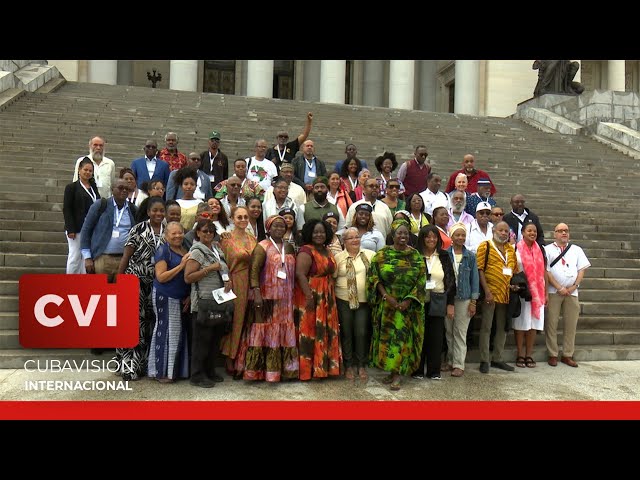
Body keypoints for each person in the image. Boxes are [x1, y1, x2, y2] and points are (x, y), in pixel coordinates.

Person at [369, 219, 426, 391]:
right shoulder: (382, 254)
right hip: (388, 306)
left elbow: (421, 281)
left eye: (406, 233)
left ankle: (398, 375)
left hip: (409, 307)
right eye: (399, 233)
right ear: (393, 235)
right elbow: (374, 277)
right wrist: (387, 297)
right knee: (388, 340)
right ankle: (392, 371)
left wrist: (408, 300)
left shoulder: (415, 255)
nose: (403, 236)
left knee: (402, 340)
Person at [115, 197, 166, 381]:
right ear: (148, 212)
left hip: (158, 284)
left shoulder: (169, 231)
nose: (158, 214)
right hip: (134, 280)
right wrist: (120, 281)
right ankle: (129, 365)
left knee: (150, 324)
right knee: (135, 323)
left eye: (161, 211)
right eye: (155, 210)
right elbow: (126, 256)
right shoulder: (138, 229)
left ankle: (146, 364)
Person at [244, 215, 298, 382]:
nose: (280, 229)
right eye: (276, 226)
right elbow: (253, 271)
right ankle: (259, 372)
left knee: (283, 331)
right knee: (264, 332)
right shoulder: (262, 246)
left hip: (286, 299)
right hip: (266, 298)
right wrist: (257, 293)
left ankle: (286, 371)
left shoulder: (289, 247)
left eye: (282, 226)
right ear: (268, 228)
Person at [184, 218, 232, 388]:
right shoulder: (197, 252)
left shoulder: (217, 249)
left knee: (213, 339)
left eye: (211, 231)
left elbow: (223, 268)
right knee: (201, 341)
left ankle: (209, 371)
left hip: (218, 300)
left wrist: (228, 280)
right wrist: (210, 268)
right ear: (198, 232)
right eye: (204, 231)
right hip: (203, 302)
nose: (208, 234)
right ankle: (197, 375)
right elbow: (188, 277)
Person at [294, 219, 341, 381]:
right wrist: (309, 296)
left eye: (322, 232)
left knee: (325, 331)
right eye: (315, 232)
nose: (319, 235)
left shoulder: (327, 250)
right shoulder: (306, 251)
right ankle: (309, 371)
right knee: (310, 331)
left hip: (327, 295)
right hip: (311, 295)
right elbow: (300, 274)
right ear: (309, 233)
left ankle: (324, 367)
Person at [148, 221, 191, 382]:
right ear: (166, 236)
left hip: (180, 297)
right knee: (164, 331)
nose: (178, 236)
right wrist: (181, 265)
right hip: (165, 296)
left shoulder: (184, 249)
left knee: (177, 333)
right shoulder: (163, 251)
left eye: (180, 232)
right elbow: (161, 276)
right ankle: (160, 372)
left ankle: (175, 371)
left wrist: (188, 295)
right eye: (174, 233)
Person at [412, 225, 456, 380]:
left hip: (438, 299)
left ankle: (433, 371)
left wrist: (450, 304)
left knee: (436, 337)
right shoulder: (415, 255)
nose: (431, 240)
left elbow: (450, 280)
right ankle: (417, 370)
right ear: (422, 238)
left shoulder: (443, 256)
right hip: (418, 301)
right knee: (419, 335)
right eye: (428, 237)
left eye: (434, 237)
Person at [544, 223, 591, 368]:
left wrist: (574, 286)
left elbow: (582, 269)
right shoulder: (547, 249)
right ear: (555, 234)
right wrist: (559, 287)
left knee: (571, 324)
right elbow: (546, 271)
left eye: (566, 231)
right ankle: (552, 354)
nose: (564, 233)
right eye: (560, 231)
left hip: (572, 292)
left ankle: (567, 354)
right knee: (551, 324)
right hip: (554, 291)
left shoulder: (577, 250)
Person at [219, 206, 257, 378]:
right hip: (236, 282)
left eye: (245, 217)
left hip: (252, 280)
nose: (243, 220)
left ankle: (245, 357)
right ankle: (230, 356)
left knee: (250, 319)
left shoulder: (252, 238)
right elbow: (223, 262)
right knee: (236, 319)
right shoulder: (226, 239)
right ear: (232, 219)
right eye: (239, 217)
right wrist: (227, 281)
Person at [476, 221, 518, 374]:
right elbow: (480, 269)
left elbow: (514, 271)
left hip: (506, 295)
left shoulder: (510, 249)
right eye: (501, 230)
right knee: (486, 327)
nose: (504, 233)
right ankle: (484, 359)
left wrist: (514, 285)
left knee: (503, 328)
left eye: (506, 231)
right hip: (490, 294)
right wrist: (486, 291)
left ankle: (498, 358)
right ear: (494, 230)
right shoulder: (485, 246)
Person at [334, 227, 375, 381]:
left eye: (357, 237)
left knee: (361, 332)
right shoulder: (338, 258)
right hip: (343, 300)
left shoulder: (369, 255)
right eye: (350, 238)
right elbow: (332, 278)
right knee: (346, 332)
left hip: (363, 301)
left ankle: (361, 364)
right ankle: (349, 365)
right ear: (344, 241)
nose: (355, 240)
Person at [80, 179, 137, 283]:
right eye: (120, 188)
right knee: (100, 293)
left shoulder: (133, 209)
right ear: (112, 189)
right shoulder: (101, 205)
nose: (124, 191)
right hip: (102, 258)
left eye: (127, 189)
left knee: (119, 295)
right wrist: (87, 258)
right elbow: (86, 230)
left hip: (124, 260)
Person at [513, 220, 548, 369]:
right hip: (523, 291)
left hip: (538, 292)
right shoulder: (516, 248)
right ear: (523, 233)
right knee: (521, 325)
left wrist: (546, 293)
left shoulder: (541, 249)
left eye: (534, 231)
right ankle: (520, 354)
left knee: (533, 325)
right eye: (529, 231)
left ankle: (529, 354)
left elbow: (545, 272)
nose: (532, 233)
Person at [446, 222, 479, 377]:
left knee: (460, 332)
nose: (460, 237)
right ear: (451, 237)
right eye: (457, 235)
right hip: (448, 299)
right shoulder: (445, 254)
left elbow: (475, 280)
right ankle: (450, 360)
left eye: (463, 235)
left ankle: (459, 363)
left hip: (464, 299)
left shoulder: (470, 257)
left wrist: (473, 301)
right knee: (448, 331)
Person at [63, 157, 100, 274]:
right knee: (75, 255)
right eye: (85, 170)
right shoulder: (71, 188)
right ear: (79, 170)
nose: (88, 173)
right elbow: (67, 209)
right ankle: (70, 281)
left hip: (91, 228)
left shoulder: (93, 187)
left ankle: (82, 283)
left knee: (86, 257)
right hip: (77, 228)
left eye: (90, 171)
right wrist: (70, 229)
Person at [173, 167, 204, 231]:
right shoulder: (175, 203)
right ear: (181, 186)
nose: (189, 187)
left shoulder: (200, 203)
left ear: (196, 187)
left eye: (192, 184)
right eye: (186, 184)